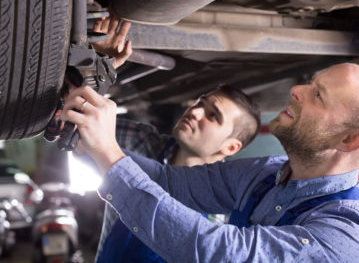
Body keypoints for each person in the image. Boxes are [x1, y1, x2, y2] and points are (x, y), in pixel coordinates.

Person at [62, 63, 359, 260]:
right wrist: (87, 136)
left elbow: (220, 252)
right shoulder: (267, 174)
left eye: (317, 95)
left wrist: (109, 153)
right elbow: (170, 183)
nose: (297, 89)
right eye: (310, 83)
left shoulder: (351, 237)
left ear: (349, 140)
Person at [89, 14, 261, 262]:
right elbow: (77, 122)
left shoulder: (222, 219)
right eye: (201, 102)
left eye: (213, 116)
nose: (195, 111)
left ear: (231, 147)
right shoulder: (142, 143)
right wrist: (97, 70)